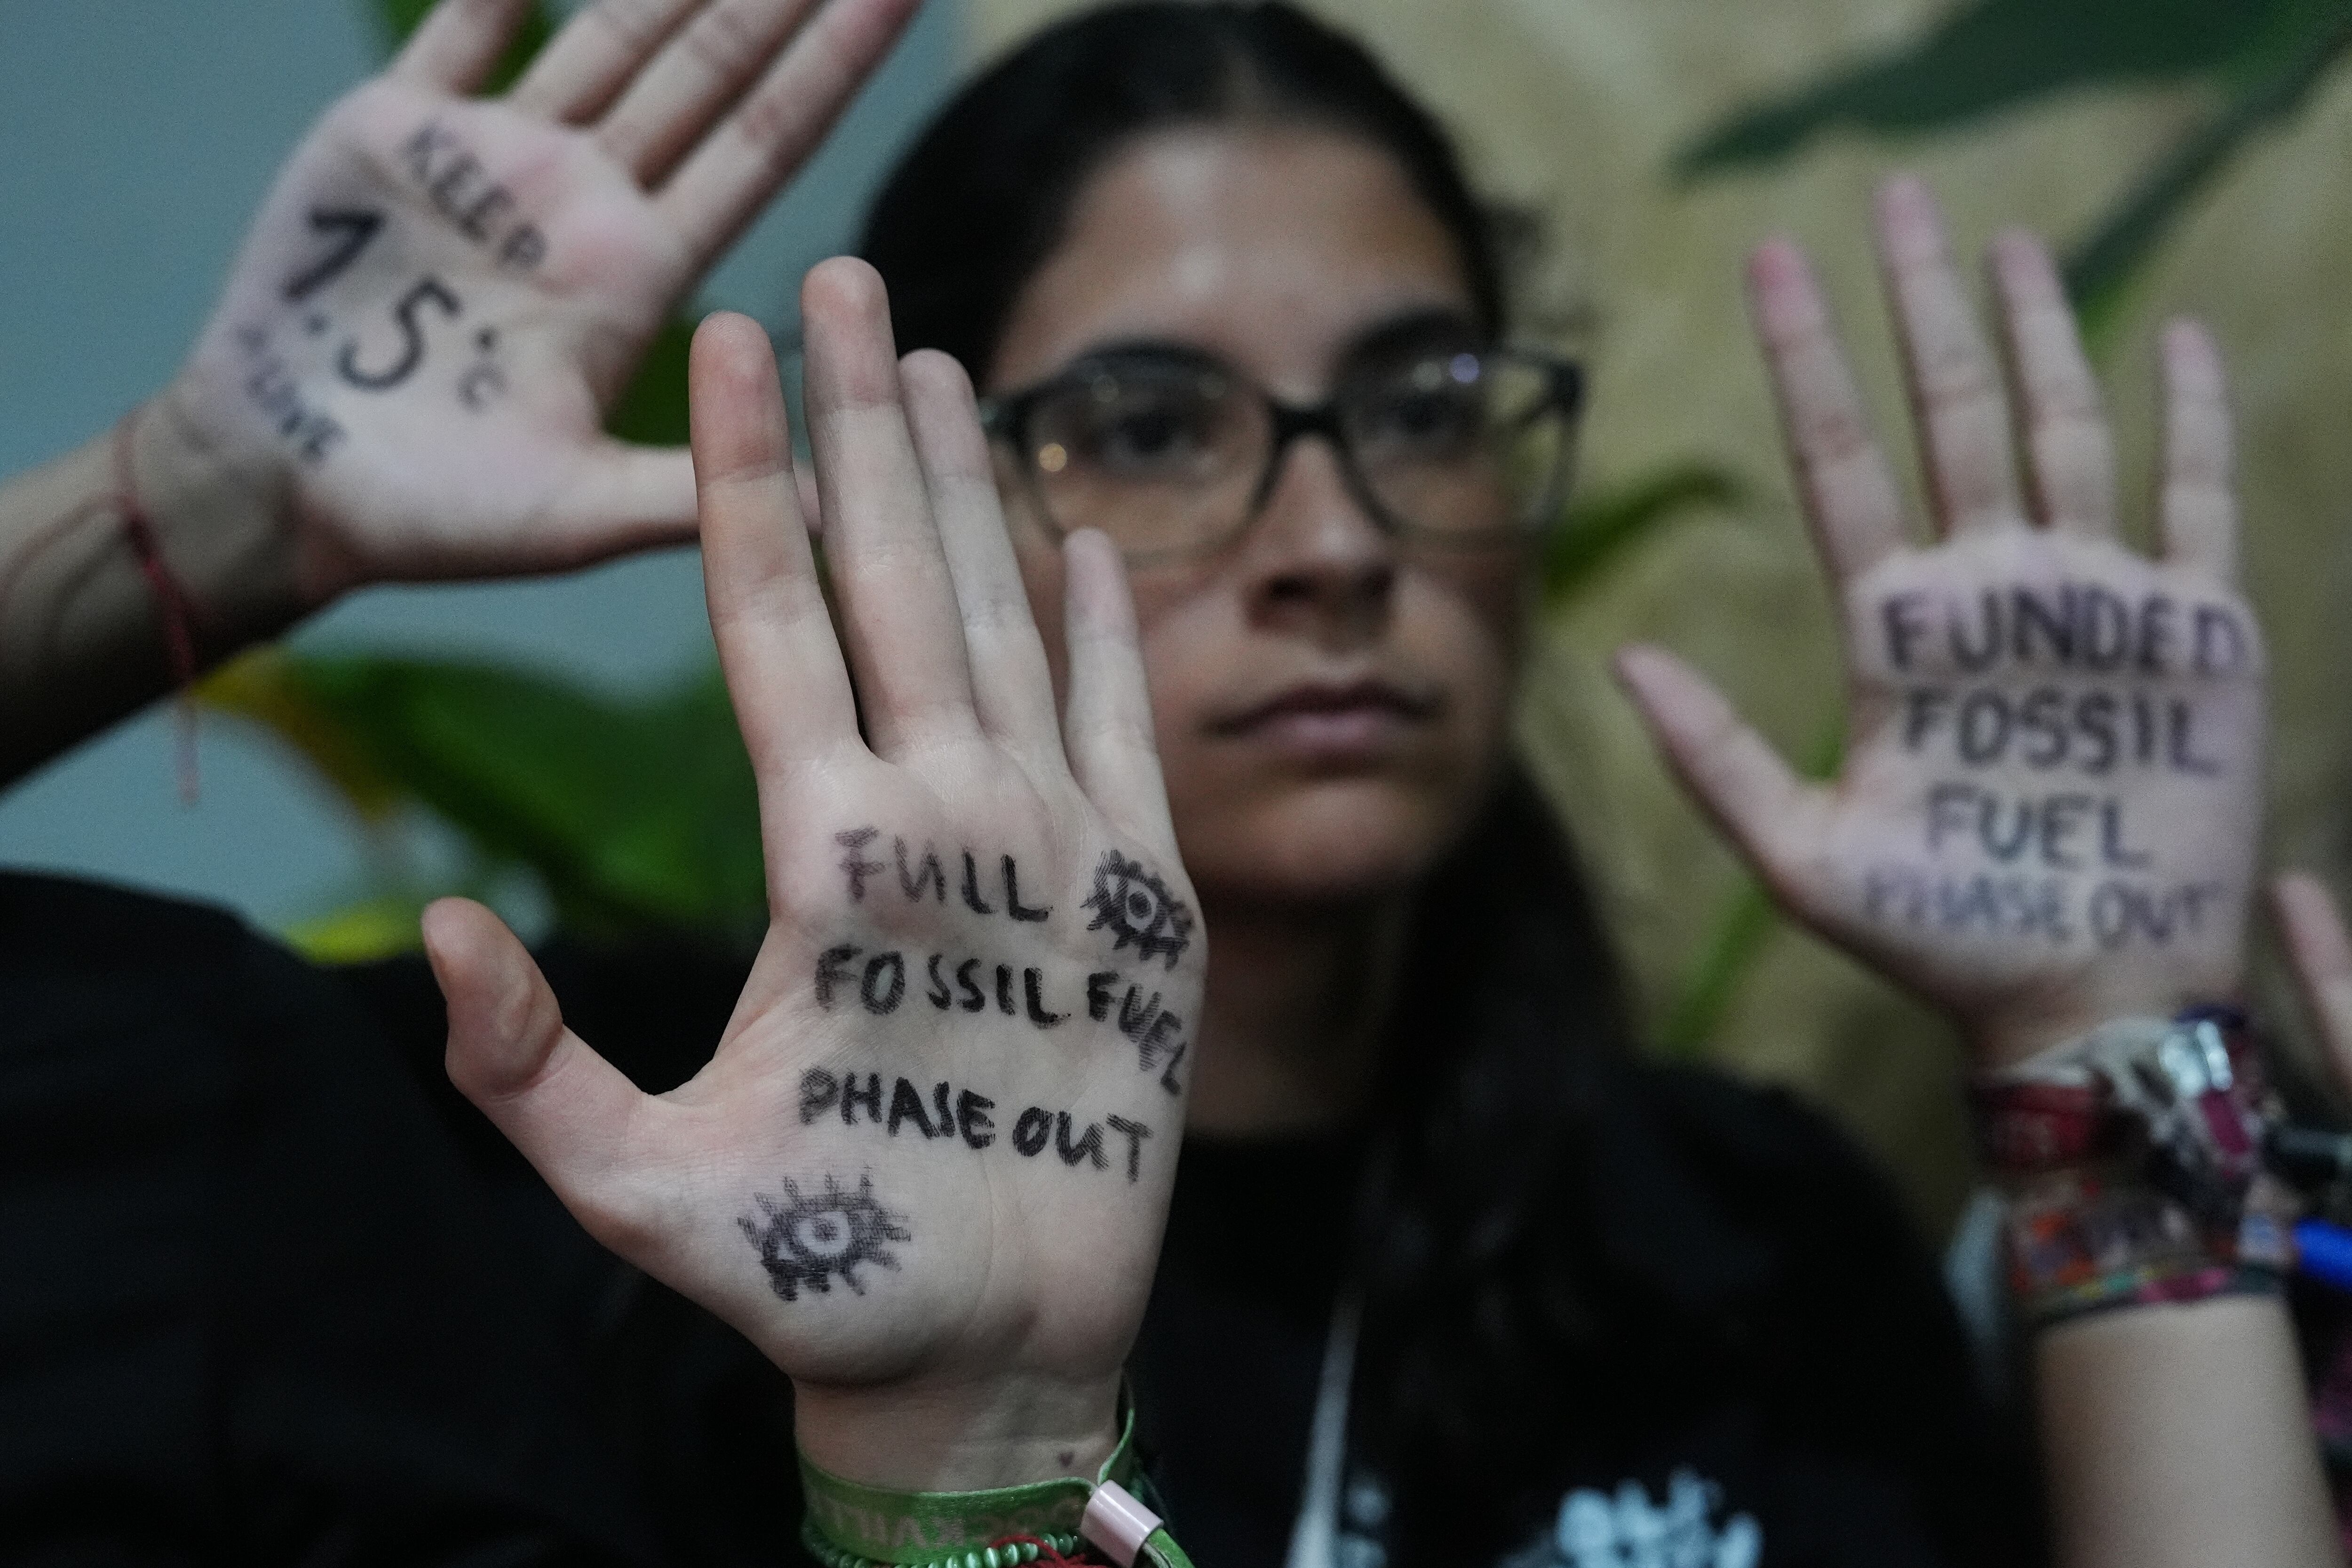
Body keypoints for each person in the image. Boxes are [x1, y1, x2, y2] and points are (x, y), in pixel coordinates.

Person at [0, 2, 2339, 1566]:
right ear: (897, 514)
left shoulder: (1736, 1251)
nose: (1329, 543)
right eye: (1141, 425)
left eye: (1421, 400)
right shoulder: (519, 1162)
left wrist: (2093, 1044)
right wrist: (205, 499)